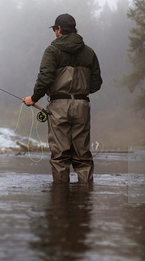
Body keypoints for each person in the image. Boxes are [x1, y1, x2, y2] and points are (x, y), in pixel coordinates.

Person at [23, 13, 102, 183]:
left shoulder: (52, 51)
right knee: (83, 155)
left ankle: (60, 201)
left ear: (59, 29)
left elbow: (45, 78)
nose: (55, 32)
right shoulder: (89, 52)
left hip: (58, 106)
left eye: (55, 29)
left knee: (60, 156)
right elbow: (96, 83)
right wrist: (80, 92)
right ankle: (84, 201)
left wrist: (33, 99)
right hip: (82, 105)